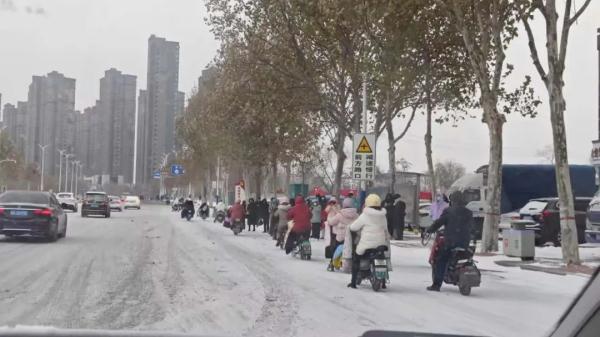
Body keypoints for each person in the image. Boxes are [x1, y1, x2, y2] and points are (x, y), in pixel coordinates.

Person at [426, 191, 474, 292]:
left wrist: (429, 230)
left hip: (451, 242)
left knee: (441, 260)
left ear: (452, 200)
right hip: (464, 242)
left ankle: (436, 285)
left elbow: (438, 223)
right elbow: (471, 227)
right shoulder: (469, 212)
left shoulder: (448, 211)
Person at [348, 194, 390, 289]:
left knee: (356, 258)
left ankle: (353, 282)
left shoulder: (365, 215)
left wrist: (350, 227)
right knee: (383, 258)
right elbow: (386, 230)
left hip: (366, 245)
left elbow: (354, 227)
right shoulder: (383, 216)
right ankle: (383, 283)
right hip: (381, 244)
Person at [328, 197, 358, 271]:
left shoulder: (340, 214)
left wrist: (330, 216)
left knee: (335, 248)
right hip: (353, 237)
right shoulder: (356, 215)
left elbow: (331, 222)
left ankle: (332, 263)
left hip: (341, 238)